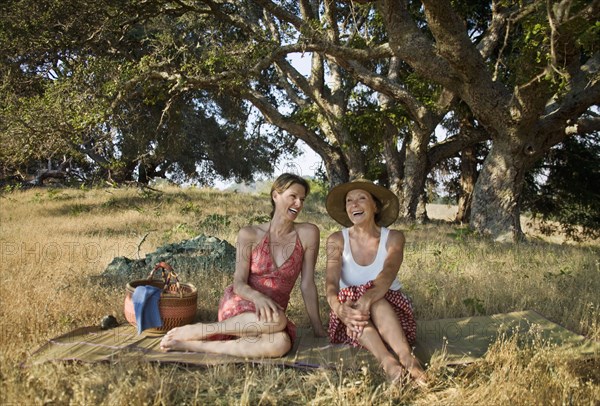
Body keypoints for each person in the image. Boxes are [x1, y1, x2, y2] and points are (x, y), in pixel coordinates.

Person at [160, 173, 327, 356]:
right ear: (275, 196)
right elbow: (238, 282)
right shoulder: (249, 234)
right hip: (242, 303)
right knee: (278, 321)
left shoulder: (309, 233)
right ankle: (203, 330)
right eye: (293, 197)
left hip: (270, 316)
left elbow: (307, 284)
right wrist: (258, 298)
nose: (298, 204)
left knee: (281, 343)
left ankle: (194, 346)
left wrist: (318, 328)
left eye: (302, 199)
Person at [324, 179, 426, 384]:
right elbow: (331, 282)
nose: (354, 204)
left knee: (376, 300)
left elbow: (387, 273)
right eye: (349, 201)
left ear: (375, 206)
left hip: (390, 312)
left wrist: (367, 298)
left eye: (362, 198)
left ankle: (408, 358)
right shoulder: (336, 240)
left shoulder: (394, 237)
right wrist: (338, 308)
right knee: (353, 305)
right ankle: (390, 364)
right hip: (351, 315)